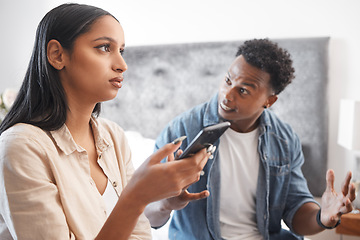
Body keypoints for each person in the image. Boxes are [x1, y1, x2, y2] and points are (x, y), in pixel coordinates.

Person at [0, 3, 212, 240]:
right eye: (104, 47)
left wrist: (151, 199)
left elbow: (139, 235)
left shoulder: (113, 137)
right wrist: (136, 196)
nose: (122, 65)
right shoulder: (21, 147)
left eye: (121, 50)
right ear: (57, 55)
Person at [144, 39, 356, 240]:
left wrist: (322, 218)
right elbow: (147, 216)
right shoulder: (181, 131)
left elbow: (296, 212)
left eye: (243, 90)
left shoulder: (284, 139)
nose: (227, 95)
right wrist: (165, 203)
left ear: (269, 101)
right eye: (227, 80)